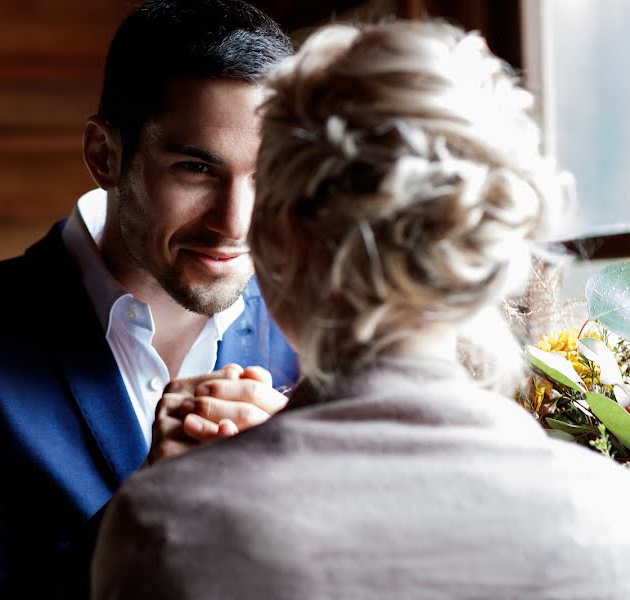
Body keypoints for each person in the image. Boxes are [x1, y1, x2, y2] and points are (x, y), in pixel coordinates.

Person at [91, 20, 630, 600]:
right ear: (494, 255)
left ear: (277, 242)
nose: (231, 221)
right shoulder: (608, 513)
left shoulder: (170, 523)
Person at [0, 1, 297, 598]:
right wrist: (146, 505)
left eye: (267, 172)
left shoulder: (320, 326)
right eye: (197, 169)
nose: (236, 222)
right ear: (105, 155)